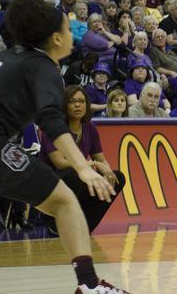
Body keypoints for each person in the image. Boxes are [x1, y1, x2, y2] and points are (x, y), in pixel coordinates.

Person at [0, 0, 127, 292]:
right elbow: (50, 119)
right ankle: (89, 284)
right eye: (67, 28)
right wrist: (83, 167)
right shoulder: (42, 66)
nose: (71, 34)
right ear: (55, 38)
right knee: (65, 201)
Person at [38, 85, 125, 234]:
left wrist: (107, 171)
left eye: (81, 101)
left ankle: (85, 226)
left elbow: (101, 159)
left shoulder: (90, 128)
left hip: (79, 177)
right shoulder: (54, 127)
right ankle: (54, 222)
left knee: (117, 178)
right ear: (64, 105)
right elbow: (59, 162)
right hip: (52, 181)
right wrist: (90, 164)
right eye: (72, 101)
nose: (77, 105)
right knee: (74, 172)